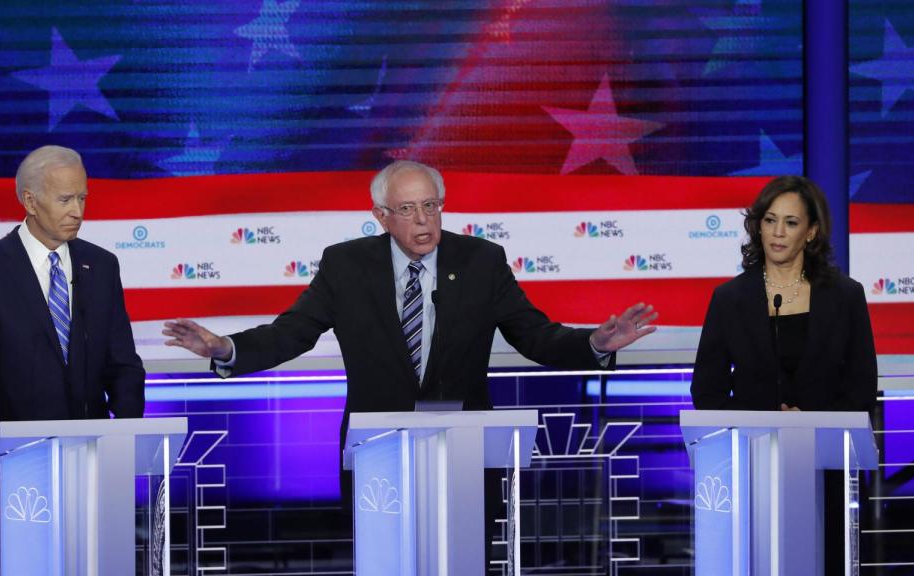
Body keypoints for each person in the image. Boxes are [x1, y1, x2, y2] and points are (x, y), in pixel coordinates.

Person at [163, 160, 658, 565]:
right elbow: (291, 333)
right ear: (381, 216)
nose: (423, 220)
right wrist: (225, 349)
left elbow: (535, 336)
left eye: (431, 206)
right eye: (407, 209)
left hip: (466, 451)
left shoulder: (482, 260)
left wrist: (594, 342)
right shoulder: (346, 265)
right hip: (378, 449)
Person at [0, 145, 145, 576]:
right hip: (15, 480)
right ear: (30, 201)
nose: (77, 210)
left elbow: (124, 365)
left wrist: (125, 437)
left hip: (92, 475)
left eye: (83, 198)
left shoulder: (102, 265)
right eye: (65, 200)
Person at [690, 175, 877, 576]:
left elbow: (861, 386)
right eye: (770, 220)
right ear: (758, 225)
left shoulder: (846, 296)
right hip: (749, 466)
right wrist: (763, 427)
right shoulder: (730, 299)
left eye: (791, 223)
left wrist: (809, 427)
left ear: (810, 232)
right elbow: (707, 391)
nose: (778, 232)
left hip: (823, 466)